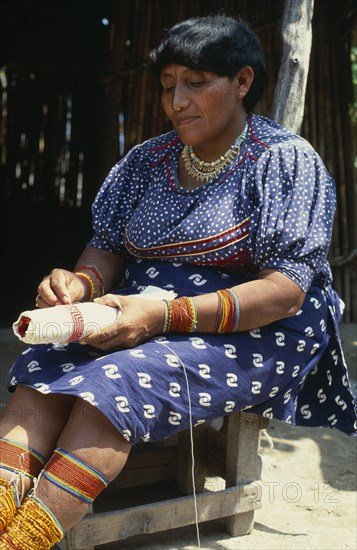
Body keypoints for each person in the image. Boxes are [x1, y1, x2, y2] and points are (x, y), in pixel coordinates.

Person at [0, 13, 356, 549]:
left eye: (196, 82)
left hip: (255, 329)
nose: (177, 102)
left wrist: (164, 316)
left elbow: (285, 289)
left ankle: (22, 541)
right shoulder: (146, 160)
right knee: (42, 362)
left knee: (114, 382)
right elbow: (109, 246)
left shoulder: (283, 162)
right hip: (144, 311)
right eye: (169, 86)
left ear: (242, 82)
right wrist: (78, 284)